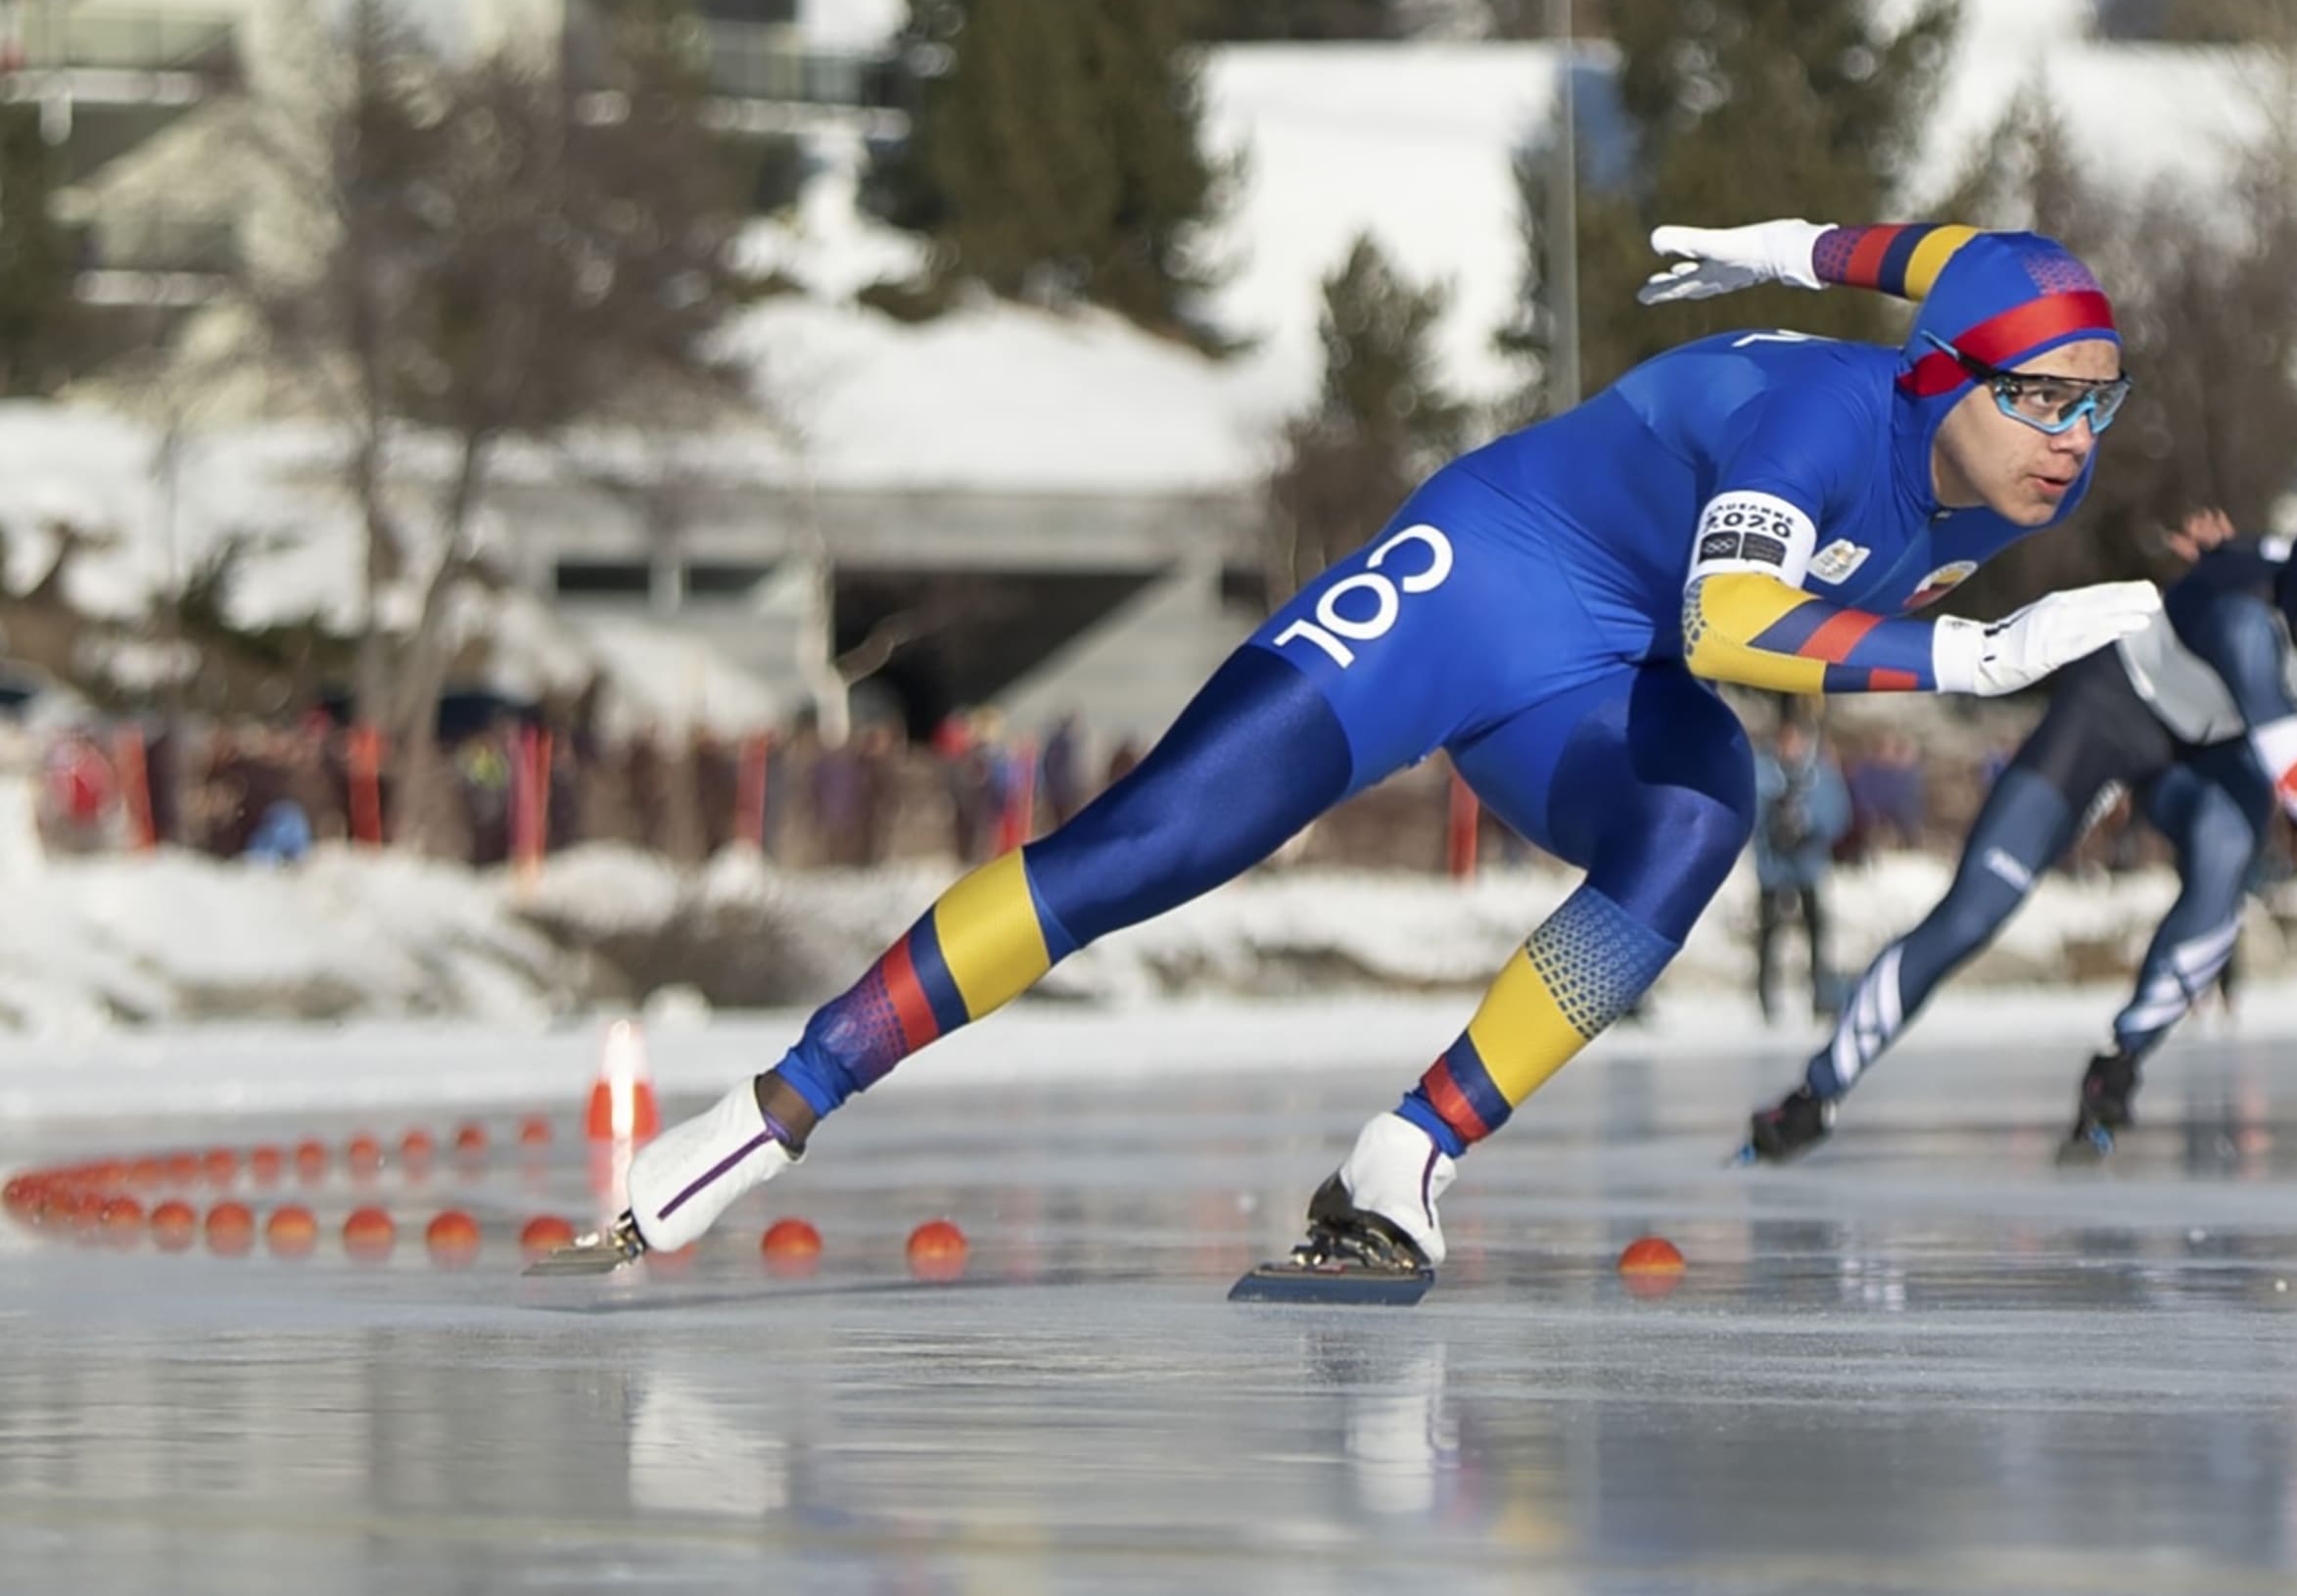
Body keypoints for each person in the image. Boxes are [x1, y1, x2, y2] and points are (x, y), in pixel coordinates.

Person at [593, 216, 2165, 1278]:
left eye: (2099, 406)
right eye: (2040, 400)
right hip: (1479, 584)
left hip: (1591, 673)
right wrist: (1971, 651)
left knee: (1701, 818)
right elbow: (1732, 628)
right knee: (1141, 854)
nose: (2070, 442)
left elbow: (1944, 253)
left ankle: (1404, 1156)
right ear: (1941, 373)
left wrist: (1796, 246)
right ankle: (775, 1106)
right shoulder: (1817, 426)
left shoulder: (2008, 409)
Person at [1745, 505, 2297, 1163]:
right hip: (2115, 711)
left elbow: (2293, 563)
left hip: (2215, 743)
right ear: (2295, 613)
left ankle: (2119, 1065)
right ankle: (1819, 1091)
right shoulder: (2244, 630)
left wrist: (2224, 550)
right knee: (1976, 910)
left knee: (2225, 870)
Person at [1752, 716, 1852, 1025]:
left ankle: (1823, 996)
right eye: (1785, 741)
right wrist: (1772, 822)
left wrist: (1809, 826)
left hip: (1808, 864)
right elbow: (1748, 812)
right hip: (1772, 865)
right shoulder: (1764, 773)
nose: (1790, 748)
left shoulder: (1820, 775)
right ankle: (1765, 1000)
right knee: (1768, 934)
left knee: (1817, 933)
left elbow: (1839, 814)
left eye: (1796, 741)